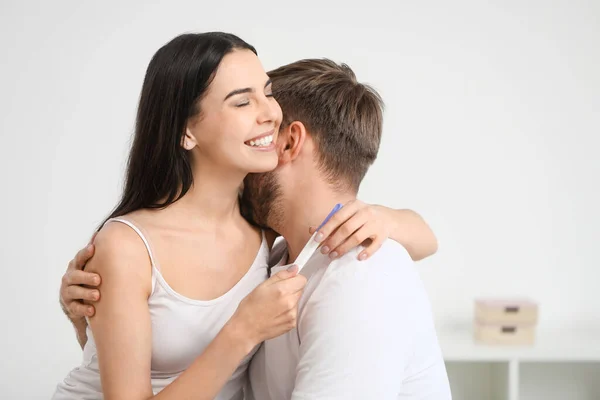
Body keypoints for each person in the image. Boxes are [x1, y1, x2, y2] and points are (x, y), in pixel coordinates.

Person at [54, 32, 439, 400]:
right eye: (243, 102)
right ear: (186, 130)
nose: (271, 114)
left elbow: (425, 240)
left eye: (267, 94)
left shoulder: (264, 233)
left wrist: (382, 218)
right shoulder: (127, 247)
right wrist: (242, 330)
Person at [241, 59, 452, 399]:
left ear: (289, 143)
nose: (242, 163)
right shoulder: (281, 255)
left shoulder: (360, 275)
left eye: (259, 139)